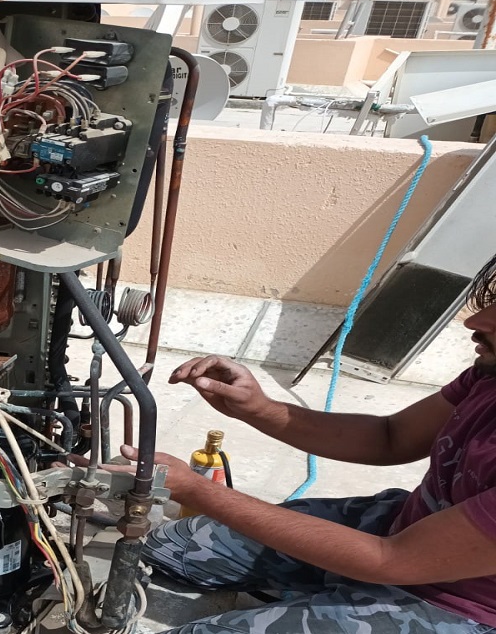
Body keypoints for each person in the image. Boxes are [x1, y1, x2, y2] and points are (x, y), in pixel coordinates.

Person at [110, 255, 496, 633]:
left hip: (458, 607)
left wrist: (194, 488)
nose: (475, 323)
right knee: (167, 547)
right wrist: (259, 409)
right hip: (396, 532)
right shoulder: (488, 375)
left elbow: (392, 561)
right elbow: (390, 436)